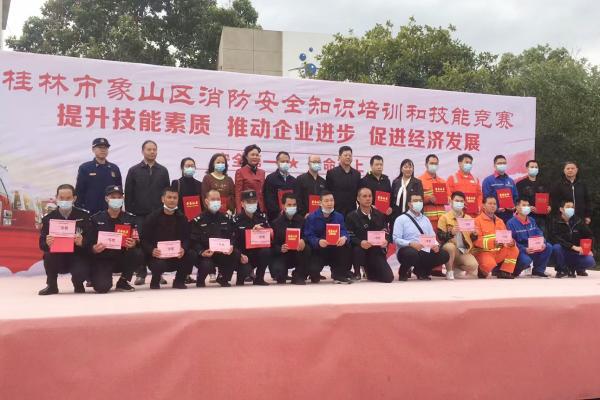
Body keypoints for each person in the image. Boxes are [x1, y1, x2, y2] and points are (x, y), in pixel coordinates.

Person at [125, 140, 170, 285]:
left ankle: (158, 273)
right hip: (139, 215)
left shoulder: (163, 171)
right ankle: (141, 273)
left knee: (157, 243)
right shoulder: (134, 170)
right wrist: (130, 216)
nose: (152, 152)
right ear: (142, 151)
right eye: (149, 149)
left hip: (157, 215)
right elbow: (129, 195)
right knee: (140, 244)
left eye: (154, 149)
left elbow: (167, 194)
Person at [86, 185, 142, 293]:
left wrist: (134, 243)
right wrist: (93, 248)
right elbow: (88, 242)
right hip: (103, 258)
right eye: (113, 197)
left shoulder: (130, 218)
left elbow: (138, 239)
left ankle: (123, 281)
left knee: (138, 253)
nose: (116, 200)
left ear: (123, 199)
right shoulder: (96, 219)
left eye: (119, 197)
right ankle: (94, 277)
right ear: (106, 198)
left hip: (122, 257)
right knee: (102, 288)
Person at [38, 184, 91, 295]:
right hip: (58, 257)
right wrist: (47, 243)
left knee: (85, 258)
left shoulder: (84, 216)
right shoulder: (48, 218)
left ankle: (78, 283)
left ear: (74, 198)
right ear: (56, 198)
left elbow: (91, 241)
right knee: (48, 255)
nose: (65, 201)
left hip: (77, 255)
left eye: (68, 198)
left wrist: (82, 242)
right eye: (61, 198)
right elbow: (41, 244)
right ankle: (52, 285)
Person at [190, 189, 248, 287]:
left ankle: (223, 278)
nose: (216, 202)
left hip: (223, 254)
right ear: (206, 201)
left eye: (218, 199)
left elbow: (233, 236)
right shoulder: (198, 220)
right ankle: (200, 280)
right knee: (206, 264)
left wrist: (231, 246)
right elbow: (194, 240)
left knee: (235, 253)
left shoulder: (226, 218)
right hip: (207, 254)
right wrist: (201, 252)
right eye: (213, 199)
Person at [140, 186, 193, 289]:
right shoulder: (152, 217)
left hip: (176, 256)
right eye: (169, 197)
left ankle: (179, 281)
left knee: (191, 254)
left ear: (178, 200)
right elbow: (144, 239)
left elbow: (187, 238)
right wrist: (152, 250)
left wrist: (183, 248)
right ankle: (155, 280)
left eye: (175, 198)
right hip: (158, 257)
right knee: (158, 264)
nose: (172, 200)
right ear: (162, 199)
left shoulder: (182, 218)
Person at [392, 193, 449, 281]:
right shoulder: (401, 219)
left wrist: (435, 245)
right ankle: (403, 271)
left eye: (420, 201)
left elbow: (432, 236)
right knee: (411, 254)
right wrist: (410, 244)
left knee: (444, 255)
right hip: (407, 250)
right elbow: (396, 239)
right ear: (409, 204)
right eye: (415, 201)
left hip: (424, 249)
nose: (418, 203)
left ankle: (421, 270)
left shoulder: (425, 219)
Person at [346, 187, 394, 283]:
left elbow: (386, 231)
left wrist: (386, 240)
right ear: (358, 199)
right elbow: (349, 235)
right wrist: (360, 242)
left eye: (370, 196)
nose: (368, 199)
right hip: (360, 250)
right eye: (364, 196)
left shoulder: (379, 214)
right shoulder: (351, 216)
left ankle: (369, 270)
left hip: (376, 250)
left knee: (388, 278)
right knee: (357, 249)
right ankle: (357, 272)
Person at [304, 191, 353, 283]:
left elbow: (344, 231)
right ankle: (314, 273)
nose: (330, 203)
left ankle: (338, 274)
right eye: (326, 201)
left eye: (331, 200)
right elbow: (308, 235)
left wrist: (344, 237)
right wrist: (318, 241)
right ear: (320, 203)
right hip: (319, 250)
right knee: (313, 272)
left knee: (346, 246)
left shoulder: (339, 216)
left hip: (335, 249)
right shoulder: (312, 217)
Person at [472, 196, 519, 279]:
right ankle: (481, 270)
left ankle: (505, 271)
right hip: (484, 252)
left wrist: (511, 242)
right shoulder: (477, 220)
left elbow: (506, 237)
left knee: (514, 248)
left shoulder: (500, 221)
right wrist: (493, 242)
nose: (493, 206)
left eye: (494, 204)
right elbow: (477, 241)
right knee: (489, 266)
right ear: (483, 205)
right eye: (490, 203)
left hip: (498, 251)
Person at [436, 191, 479, 280]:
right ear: (451, 202)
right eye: (457, 201)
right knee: (450, 246)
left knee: (473, 265)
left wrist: (474, 234)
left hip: (463, 250)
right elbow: (440, 237)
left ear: (464, 203)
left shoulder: (468, 218)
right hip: (450, 249)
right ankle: (449, 271)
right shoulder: (444, 218)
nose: (459, 203)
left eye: (461, 201)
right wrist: (451, 233)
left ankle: (455, 267)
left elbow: (472, 239)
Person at [270, 193, 311, 285]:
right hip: (283, 255)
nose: (292, 207)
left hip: (297, 253)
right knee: (280, 277)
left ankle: (298, 275)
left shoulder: (302, 221)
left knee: (307, 248)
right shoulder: (276, 223)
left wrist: (303, 240)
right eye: (289, 205)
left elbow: (308, 235)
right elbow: (272, 244)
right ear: (283, 206)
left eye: (294, 205)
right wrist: (280, 248)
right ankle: (281, 273)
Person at [506, 198, 553, 277]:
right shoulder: (510, 223)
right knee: (526, 261)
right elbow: (511, 241)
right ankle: (514, 271)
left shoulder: (531, 220)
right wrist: (524, 249)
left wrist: (543, 243)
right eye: (524, 205)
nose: (527, 207)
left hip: (533, 247)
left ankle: (538, 270)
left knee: (548, 246)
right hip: (520, 250)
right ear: (517, 207)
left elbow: (539, 233)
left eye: (528, 205)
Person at [75, 138, 122, 215]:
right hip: (90, 211)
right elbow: (79, 191)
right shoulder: (85, 167)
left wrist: (119, 208)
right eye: (100, 147)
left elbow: (119, 191)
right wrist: (80, 210)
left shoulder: (114, 168)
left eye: (105, 148)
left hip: (110, 211)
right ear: (93, 149)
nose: (103, 150)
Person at [233, 190, 271, 285]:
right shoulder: (236, 220)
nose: (252, 204)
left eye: (254, 201)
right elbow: (233, 241)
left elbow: (270, 236)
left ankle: (259, 278)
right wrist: (240, 255)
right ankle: (241, 278)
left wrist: (263, 231)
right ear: (242, 203)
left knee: (266, 251)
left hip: (257, 253)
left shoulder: (262, 218)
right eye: (249, 202)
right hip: (243, 255)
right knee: (244, 271)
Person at [549, 200, 596, 278]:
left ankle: (572, 268)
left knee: (590, 261)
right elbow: (555, 238)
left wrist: (589, 249)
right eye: (568, 207)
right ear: (561, 209)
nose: (570, 209)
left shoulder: (578, 221)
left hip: (576, 252)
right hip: (563, 251)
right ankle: (562, 270)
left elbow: (590, 235)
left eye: (572, 207)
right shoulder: (555, 221)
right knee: (556, 247)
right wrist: (572, 246)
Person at [516, 160, 551, 234]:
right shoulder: (520, 184)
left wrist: (549, 206)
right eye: (532, 167)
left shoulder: (544, 183)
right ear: (527, 168)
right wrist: (528, 207)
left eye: (536, 167)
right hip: (527, 216)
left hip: (542, 217)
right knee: (528, 236)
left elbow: (549, 198)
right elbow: (518, 200)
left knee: (541, 237)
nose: (534, 169)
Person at [551, 161, 592, 225]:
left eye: (572, 168)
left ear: (577, 170)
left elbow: (587, 201)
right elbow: (555, 202)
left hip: (580, 218)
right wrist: (560, 214)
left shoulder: (582, 184)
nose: (570, 170)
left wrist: (588, 215)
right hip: (564, 219)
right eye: (568, 168)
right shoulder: (558, 185)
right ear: (564, 170)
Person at [326, 146, 361, 216]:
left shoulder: (357, 174)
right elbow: (327, 192)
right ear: (339, 157)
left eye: (350, 155)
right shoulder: (331, 173)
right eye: (345, 155)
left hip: (352, 211)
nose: (348, 157)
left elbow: (359, 193)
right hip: (335, 211)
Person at [482, 155, 518, 222]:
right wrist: (496, 209)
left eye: (504, 163)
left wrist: (514, 207)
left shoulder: (511, 181)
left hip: (509, 217)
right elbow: (485, 198)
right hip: (493, 217)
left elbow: (515, 197)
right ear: (494, 165)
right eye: (499, 163)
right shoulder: (488, 180)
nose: (502, 165)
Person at [390, 159, 423, 232]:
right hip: (396, 216)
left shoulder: (417, 183)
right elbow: (391, 200)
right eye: (405, 167)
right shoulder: (396, 182)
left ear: (413, 169)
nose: (408, 169)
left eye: (410, 167)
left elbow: (420, 201)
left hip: (411, 216)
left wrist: (419, 218)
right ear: (401, 169)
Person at [263, 151, 297, 222]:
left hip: (291, 216)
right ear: (277, 162)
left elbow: (296, 199)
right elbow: (268, 200)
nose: (285, 163)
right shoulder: (270, 178)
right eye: (282, 161)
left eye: (287, 161)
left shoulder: (293, 180)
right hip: (275, 218)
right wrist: (280, 213)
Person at [419, 154, 448, 230]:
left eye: (436, 164)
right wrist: (428, 199)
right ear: (426, 165)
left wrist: (447, 199)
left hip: (442, 219)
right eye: (431, 163)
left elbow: (450, 198)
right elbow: (415, 200)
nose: (434, 166)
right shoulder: (419, 181)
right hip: (427, 219)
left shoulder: (442, 181)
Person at [234, 144, 266, 214]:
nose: (255, 157)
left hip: (259, 208)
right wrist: (239, 212)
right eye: (252, 155)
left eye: (257, 155)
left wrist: (264, 210)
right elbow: (238, 194)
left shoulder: (262, 172)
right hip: (246, 207)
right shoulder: (240, 172)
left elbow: (263, 193)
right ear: (246, 157)